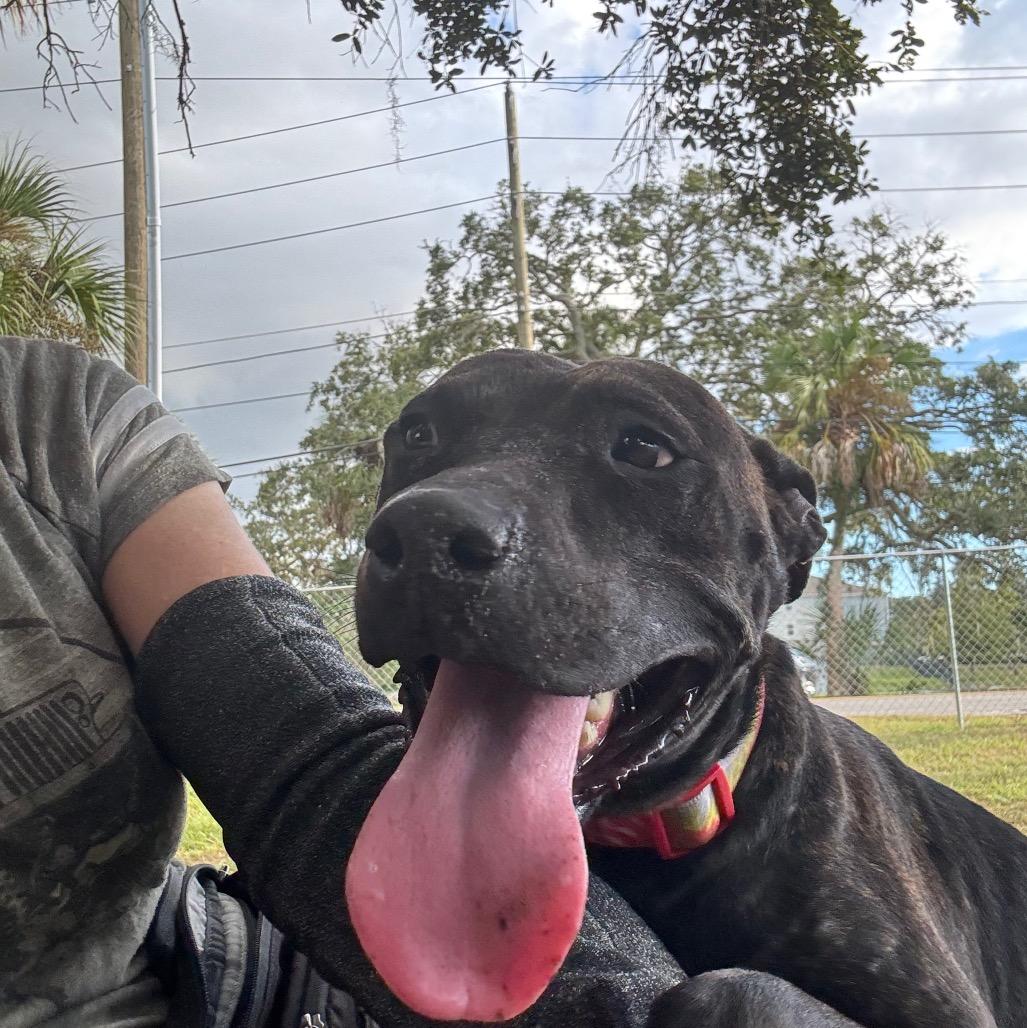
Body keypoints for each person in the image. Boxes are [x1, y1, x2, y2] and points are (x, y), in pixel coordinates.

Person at [0, 335, 682, 1027]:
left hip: (206, 963)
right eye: (421, 440)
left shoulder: (48, 408)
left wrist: (636, 1012)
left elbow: (295, 745)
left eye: (643, 452)